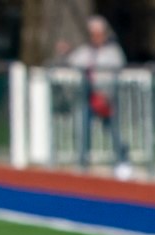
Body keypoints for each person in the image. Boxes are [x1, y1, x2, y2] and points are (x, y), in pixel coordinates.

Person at [59, 15, 131, 179]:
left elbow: (117, 70)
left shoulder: (112, 52)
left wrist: (107, 93)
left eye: (98, 33)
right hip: (90, 97)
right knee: (83, 128)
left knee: (114, 131)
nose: (95, 37)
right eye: (92, 33)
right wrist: (66, 52)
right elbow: (74, 61)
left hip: (108, 98)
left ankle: (122, 161)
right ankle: (83, 161)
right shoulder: (87, 51)